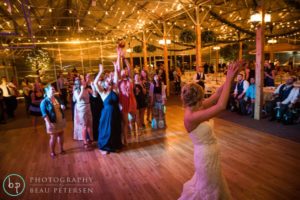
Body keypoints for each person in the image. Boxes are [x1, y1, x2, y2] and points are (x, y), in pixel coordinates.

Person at [179, 61, 240, 200]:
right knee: (208, 187)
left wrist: (232, 75)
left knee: (212, 184)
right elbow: (221, 106)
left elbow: (218, 93)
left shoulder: (197, 107)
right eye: (202, 97)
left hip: (211, 153)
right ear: (198, 98)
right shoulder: (192, 116)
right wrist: (229, 78)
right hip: (205, 156)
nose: (204, 99)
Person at [93, 53, 122, 154]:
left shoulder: (115, 90)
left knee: (115, 129)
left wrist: (115, 67)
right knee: (106, 130)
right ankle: (103, 147)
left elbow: (116, 79)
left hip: (115, 113)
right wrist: (100, 72)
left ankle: (114, 146)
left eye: (110, 79)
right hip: (106, 114)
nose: (110, 80)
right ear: (105, 83)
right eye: (107, 79)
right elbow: (95, 83)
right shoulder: (103, 92)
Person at [40, 84, 66, 158]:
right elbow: (44, 115)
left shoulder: (57, 98)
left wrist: (62, 106)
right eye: (52, 89)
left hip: (60, 119)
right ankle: (52, 152)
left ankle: (61, 149)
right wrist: (49, 124)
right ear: (47, 91)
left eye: (54, 89)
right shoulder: (44, 102)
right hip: (52, 122)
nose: (54, 90)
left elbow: (62, 104)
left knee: (61, 134)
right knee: (53, 137)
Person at [73, 78, 95, 148]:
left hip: (88, 106)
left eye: (85, 82)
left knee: (89, 124)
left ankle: (90, 139)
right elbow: (78, 99)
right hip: (81, 108)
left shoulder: (87, 89)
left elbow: (95, 95)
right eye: (83, 82)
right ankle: (85, 141)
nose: (85, 83)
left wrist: (93, 86)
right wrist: (82, 90)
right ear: (80, 84)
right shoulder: (76, 91)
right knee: (84, 125)